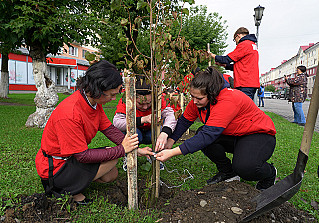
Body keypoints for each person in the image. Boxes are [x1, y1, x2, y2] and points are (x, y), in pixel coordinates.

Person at [35, 60, 153, 204]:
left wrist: (136, 150)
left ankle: (76, 182)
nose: (114, 98)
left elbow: (108, 129)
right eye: (111, 94)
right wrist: (122, 150)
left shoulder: (92, 102)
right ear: (98, 89)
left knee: (111, 174)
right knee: (112, 157)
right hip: (55, 169)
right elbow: (82, 156)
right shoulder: (70, 113)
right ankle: (63, 189)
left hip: (71, 158)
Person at [155, 66, 277, 191]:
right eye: (192, 96)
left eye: (199, 98)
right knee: (201, 132)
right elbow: (184, 122)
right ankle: (228, 172)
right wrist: (171, 140)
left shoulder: (228, 100)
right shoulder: (197, 102)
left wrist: (173, 152)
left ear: (212, 94)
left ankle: (270, 174)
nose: (194, 101)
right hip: (235, 135)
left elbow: (208, 135)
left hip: (258, 135)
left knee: (245, 167)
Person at [113, 75, 177, 169]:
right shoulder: (126, 101)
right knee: (133, 132)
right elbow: (117, 122)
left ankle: (155, 156)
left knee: (161, 130)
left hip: (151, 132)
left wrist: (164, 133)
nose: (145, 107)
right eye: (141, 104)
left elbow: (171, 116)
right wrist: (142, 120)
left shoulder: (159, 99)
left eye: (149, 103)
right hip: (136, 132)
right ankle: (130, 157)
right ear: (133, 98)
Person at [209, 27, 260, 100]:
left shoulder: (244, 44)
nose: (236, 43)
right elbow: (240, 66)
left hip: (244, 83)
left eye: (235, 40)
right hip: (250, 82)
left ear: (238, 36)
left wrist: (213, 55)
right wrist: (224, 65)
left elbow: (226, 59)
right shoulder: (252, 45)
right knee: (246, 107)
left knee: (243, 108)